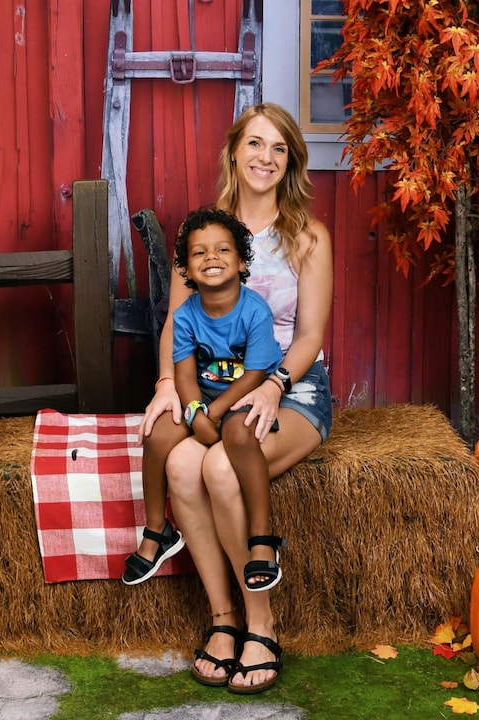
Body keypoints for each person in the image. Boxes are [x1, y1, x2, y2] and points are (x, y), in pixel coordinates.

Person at [139, 102, 334, 694]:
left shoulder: (307, 237)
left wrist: (275, 385)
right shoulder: (203, 234)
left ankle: (261, 625)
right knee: (178, 461)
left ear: (291, 162)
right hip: (215, 392)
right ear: (234, 153)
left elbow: (309, 336)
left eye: (279, 149)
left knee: (223, 467)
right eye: (255, 144)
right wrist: (167, 385)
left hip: (292, 388)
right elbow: (176, 322)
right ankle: (222, 618)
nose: (265, 158)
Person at [122, 207, 282, 586]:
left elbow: (256, 373)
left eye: (223, 250)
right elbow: (184, 372)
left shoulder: (255, 312)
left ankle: (261, 538)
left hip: (245, 393)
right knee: (158, 435)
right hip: (203, 394)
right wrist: (195, 412)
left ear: (243, 262)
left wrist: (215, 413)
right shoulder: (185, 316)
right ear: (187, 271)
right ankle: (158, 530)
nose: (211, 257)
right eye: (199, 253)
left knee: (239, 436)